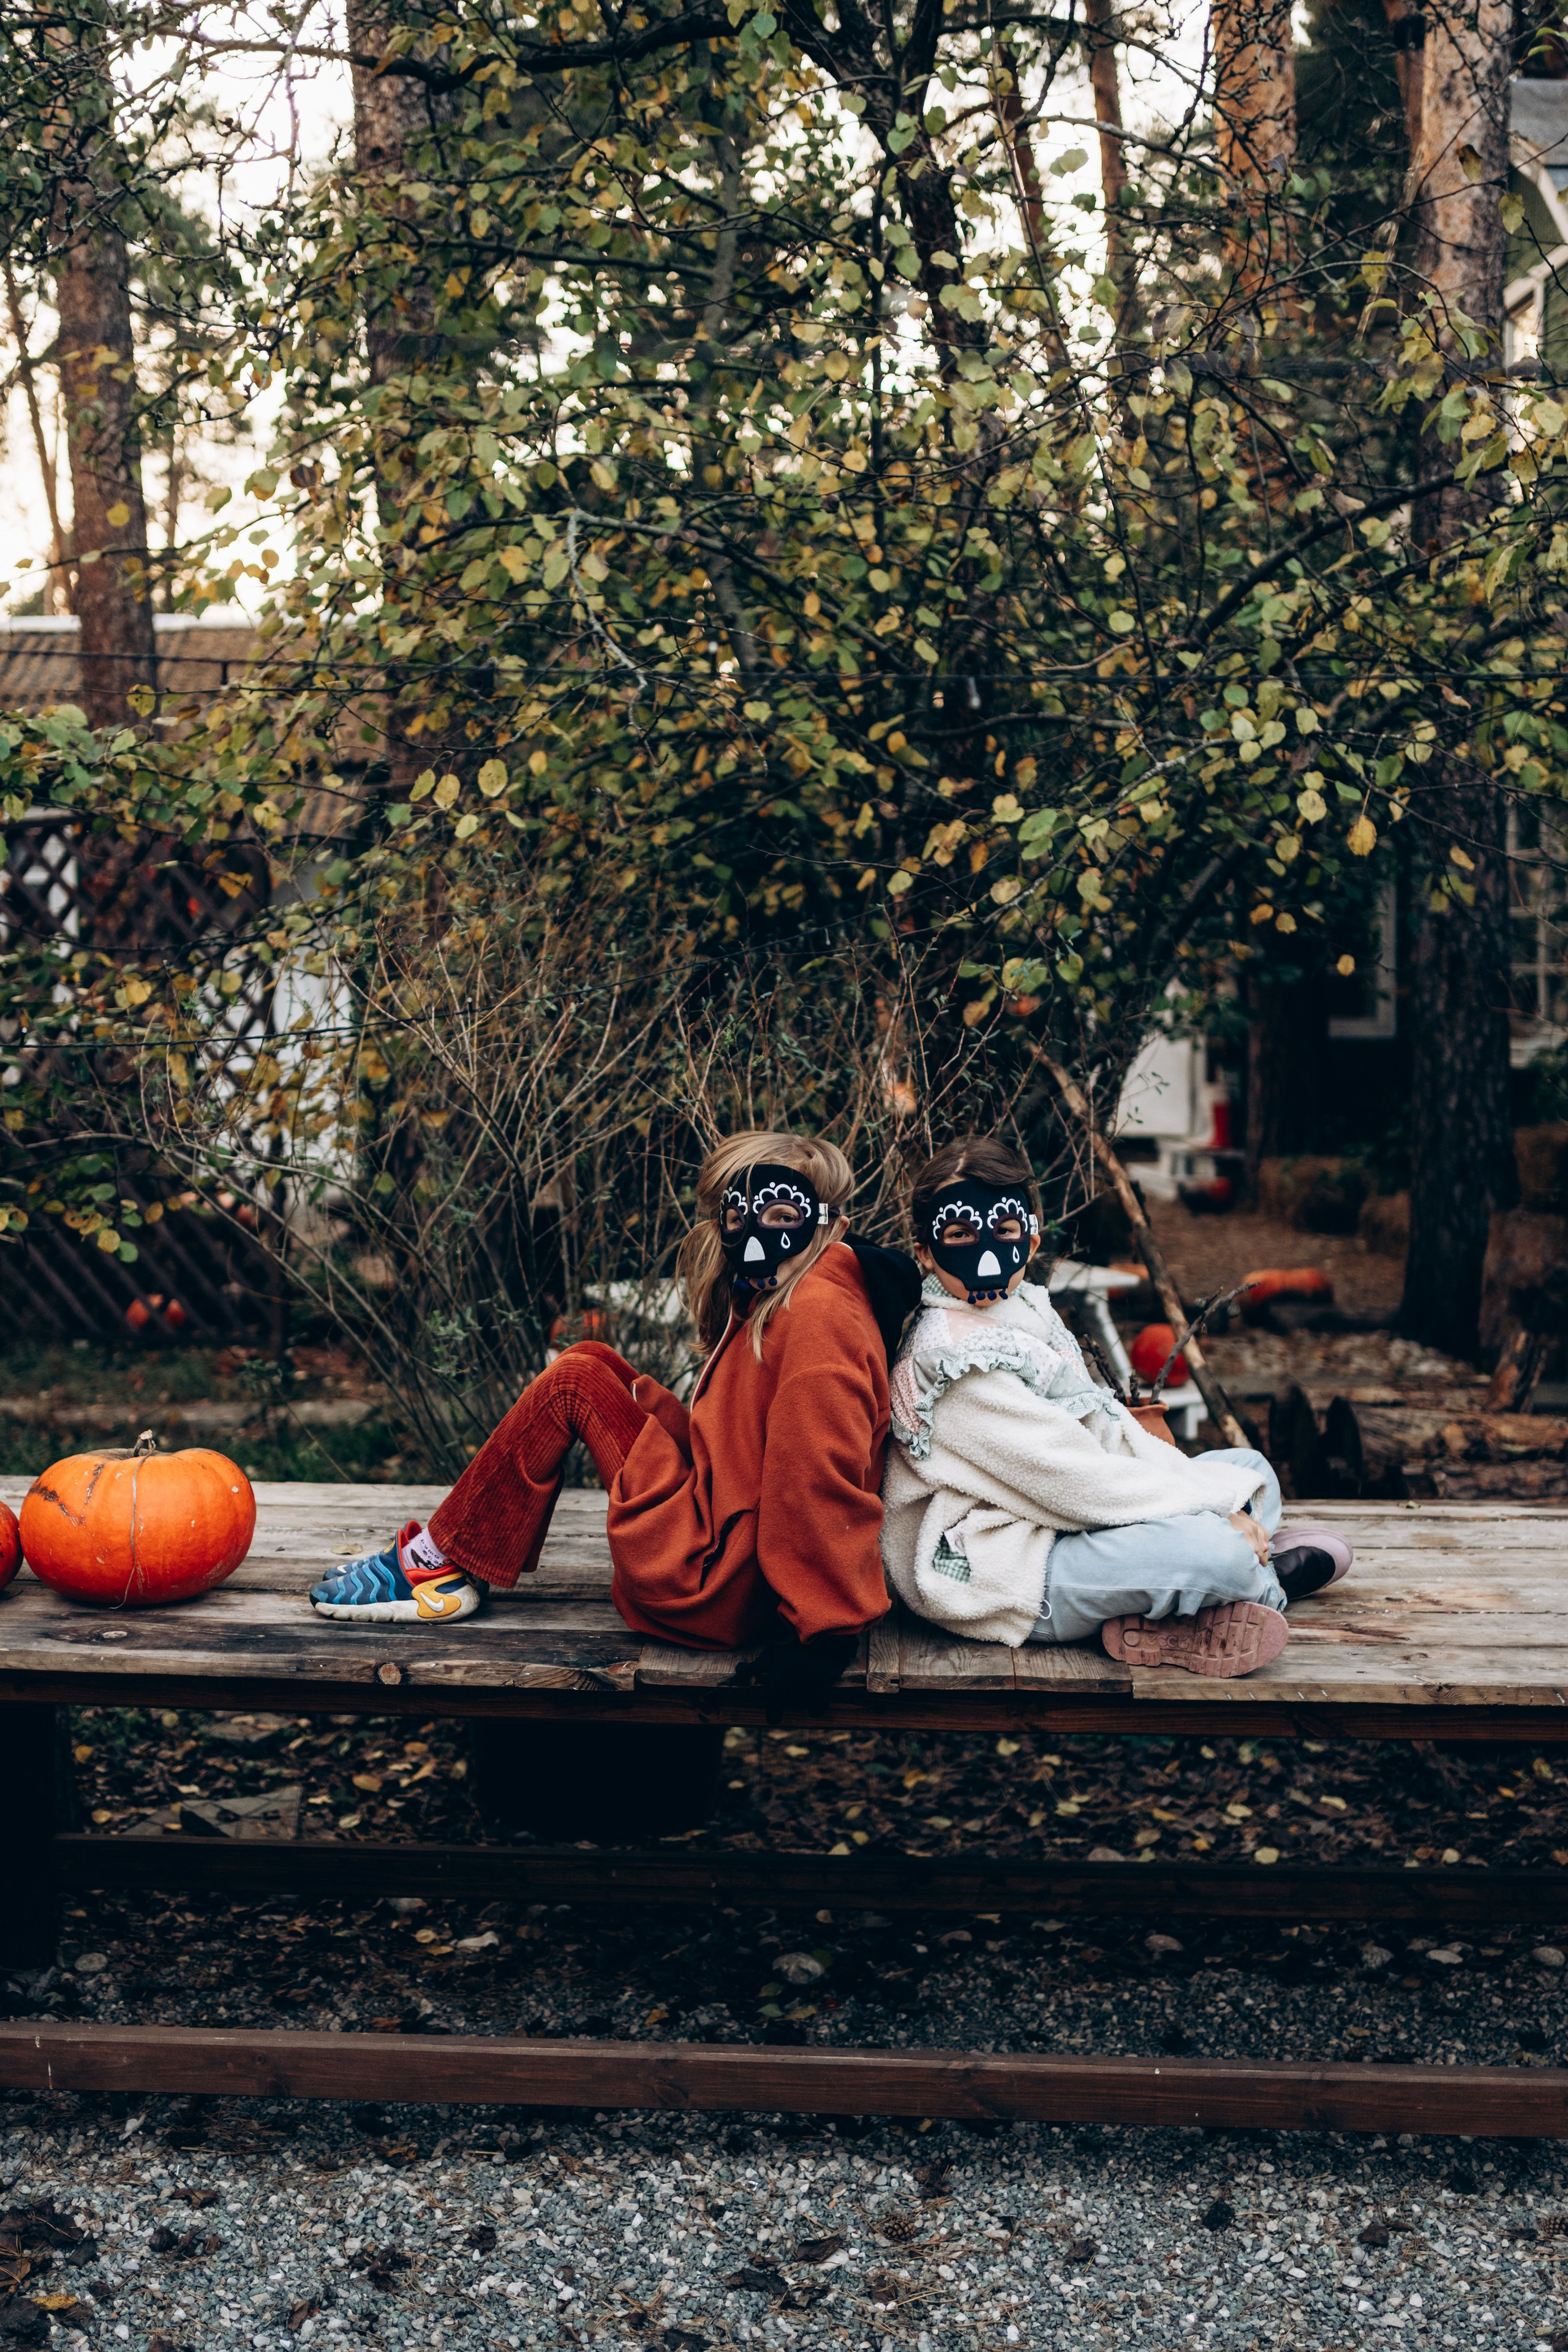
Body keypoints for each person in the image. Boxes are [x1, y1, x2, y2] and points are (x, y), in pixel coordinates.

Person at [309, 1132, 921, 1709]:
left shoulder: (818, 1316)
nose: (757, 1234)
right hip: (732, 1551)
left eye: (784, 1217)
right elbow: (743, 1454)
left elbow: (817, 1476)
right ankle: (452, 1556)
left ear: (832, 1224)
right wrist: (651, 1411)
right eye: (738, 1218)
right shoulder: (795, 1292)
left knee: (576, 1380)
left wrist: (824, 1637)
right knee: (591, 1362)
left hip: (718, 1584)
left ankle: (435, 1567)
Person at [879, 1135, 1353, 1678]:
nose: (984, 1253)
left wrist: (1216, 1501)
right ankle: (1262, 1584)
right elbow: (1072, 1478)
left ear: (1030, 1240)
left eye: (1003, 1232)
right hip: (1007, 1569)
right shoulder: (953, 1360)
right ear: (924, 1249)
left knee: (1250, 1470)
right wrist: (1212, 1512)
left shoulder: (1020, 1309)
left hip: (1060, 1515)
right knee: (1214, 1549)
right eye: (958, 1235)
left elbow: (1105, 1427)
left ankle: (1211, 1588)